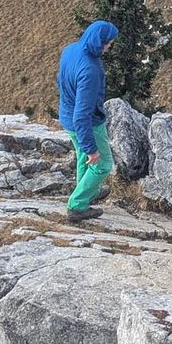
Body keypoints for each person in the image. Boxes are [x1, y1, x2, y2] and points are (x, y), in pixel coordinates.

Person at [57, 20, 119, 222]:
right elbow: (82, 114)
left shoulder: (70, 50)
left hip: (67, 117)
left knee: (83, 157)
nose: (110, 46)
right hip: (87, 123)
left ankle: (87, 191)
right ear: (100, 42)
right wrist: (92, 148)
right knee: (102, 164)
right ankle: (77, 205)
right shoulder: (90, 70)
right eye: (108, 42)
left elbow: (61, 80)